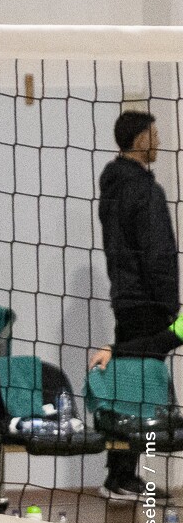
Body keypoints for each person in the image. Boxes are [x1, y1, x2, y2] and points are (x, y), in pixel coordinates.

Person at [96, 109, 178, 500]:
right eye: (154, 134)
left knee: (131, 386)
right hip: (147, 300)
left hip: (126, 297)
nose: (158, 141)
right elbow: (157, 252)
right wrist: (168, 302)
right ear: (140, 139)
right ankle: (121, 477)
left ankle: (122, 474)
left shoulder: (113, 185)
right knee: (138, 390)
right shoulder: (143, 190)